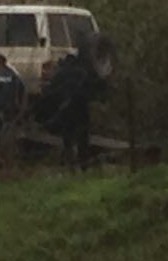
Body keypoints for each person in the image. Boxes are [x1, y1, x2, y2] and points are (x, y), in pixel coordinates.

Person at [37, 33, 112, 170]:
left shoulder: (68, 70)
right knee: (81, 136)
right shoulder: (84, 70)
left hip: (68, 108)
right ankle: (81, 163)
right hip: (78, 107)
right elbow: (96, 88)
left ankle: (71, 163)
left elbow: (54, 90)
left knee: (69, 137)